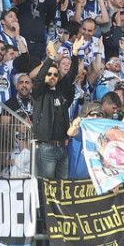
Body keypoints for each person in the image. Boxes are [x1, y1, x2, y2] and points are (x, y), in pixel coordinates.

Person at [31, 39, 83, 179]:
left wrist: (75, 53)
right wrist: (51, 59)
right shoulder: (39, 93)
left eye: (55, 74)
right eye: (49, 74)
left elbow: (71, 75)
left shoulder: (62, 92)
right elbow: (39, 78)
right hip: (46, 146)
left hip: (62, 146)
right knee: (47, 184)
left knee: (63, 184)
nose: (52, 76)